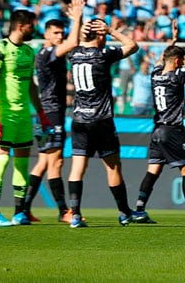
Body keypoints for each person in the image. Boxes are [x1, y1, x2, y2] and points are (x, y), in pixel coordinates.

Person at [131, 18, 185, 225]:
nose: (183, 64)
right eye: (182, 61)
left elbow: (162, 59)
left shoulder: (155, 74)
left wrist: (172, 41)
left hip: (157, 130)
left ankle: (139, 210)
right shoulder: (176, 76)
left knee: (153, 170)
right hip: (172, 130)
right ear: (176, 62)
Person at [66, 18, 139, 228]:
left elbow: (75, 41)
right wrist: (112, 30)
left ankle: (76, 215)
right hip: (101, 120)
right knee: (113, 167)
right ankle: (124, 213)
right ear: (100, 36)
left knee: (77, 167)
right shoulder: (103, 55)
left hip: (79, 119)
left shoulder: (74, 54)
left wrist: (79, 26)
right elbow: (133, 46)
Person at [0, 9, 52, 227]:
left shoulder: (28, 51)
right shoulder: (0, 49)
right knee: (1, 159)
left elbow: (31, 85)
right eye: (32, 25)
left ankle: (19, 212)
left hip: (24, 116)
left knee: (22, 163)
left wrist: (40, 112)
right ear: (21, 26)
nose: (35, 29)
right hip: (5, 115)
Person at [22, 0, 84, 223]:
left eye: (61, 33)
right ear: (47, 35)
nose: (60, 36)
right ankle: (63, 211)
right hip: (51, 113)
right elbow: (72, 42)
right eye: (56, 33)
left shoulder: (45, 53)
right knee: (56, 162)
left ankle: (23, 209)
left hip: (44, 113)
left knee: (43, 162)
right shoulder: (48, 53)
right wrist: (76, 19)